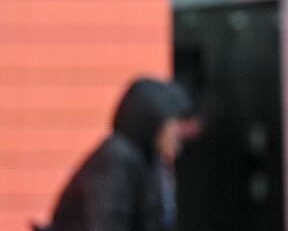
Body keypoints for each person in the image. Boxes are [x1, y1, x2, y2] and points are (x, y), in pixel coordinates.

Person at [46, 78, 185, 231]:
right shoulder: (117, 159)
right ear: (151, 121)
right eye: (170, 123)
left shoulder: (147, 161)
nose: (177, 132)